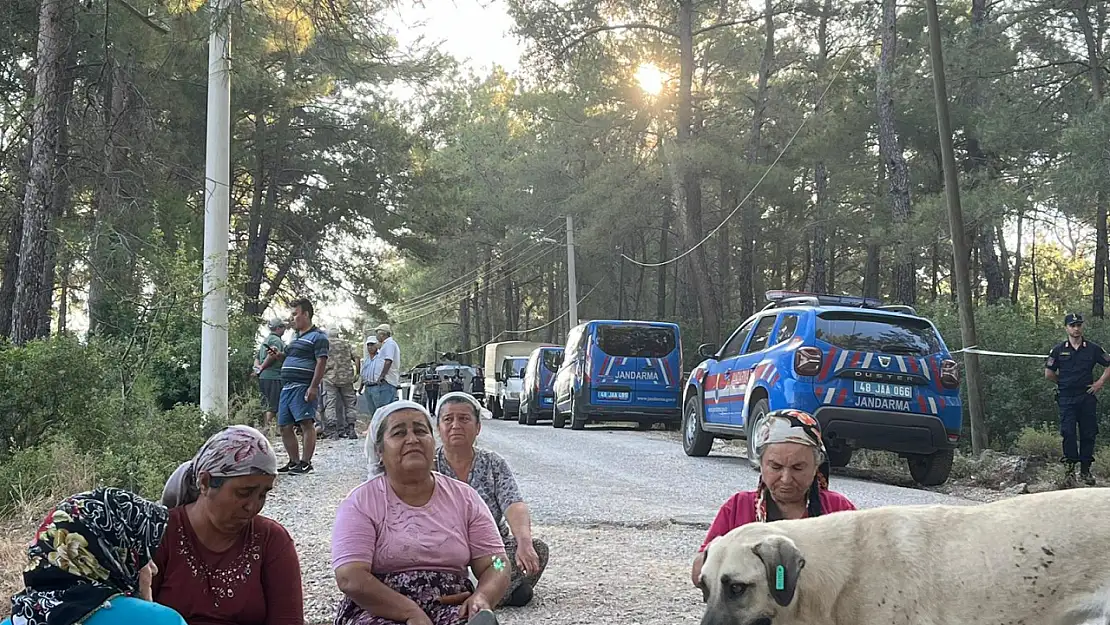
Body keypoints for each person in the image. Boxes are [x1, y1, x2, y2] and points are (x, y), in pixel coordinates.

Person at [335, 401, 508, 625]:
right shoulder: (361, 502)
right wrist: (410, 612)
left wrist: (483, 595)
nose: (412, 439)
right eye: (399, 433)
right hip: (380, 610)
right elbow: (350, 577)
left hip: (451, 606)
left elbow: (498, 563)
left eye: (420, 431)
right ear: (379, 450)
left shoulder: (465, 498)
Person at [156, 425, 304, 625]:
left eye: (262, 494)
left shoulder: (271, 540)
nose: (253, 506)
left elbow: (288, 619)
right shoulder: (160, 534)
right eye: (243, 492)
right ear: (205, 482)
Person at [690, 409, 856, 586]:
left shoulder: (838, 509)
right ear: (761, 464)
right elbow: (699, 574)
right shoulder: (738, 507)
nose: (786, 478)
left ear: (816, 466)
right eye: (776, 467)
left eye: (798, 468)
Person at [4, 488, 186, 625]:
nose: (153, 568)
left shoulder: (15, 620)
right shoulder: (160, 621)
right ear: (116, 555)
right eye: (145, 556)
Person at [433, 392, 548, 607]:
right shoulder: (429, 465)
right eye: (448, 419)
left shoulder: (492, 463)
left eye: (464, 419)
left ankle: (472, 595)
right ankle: (496, 594)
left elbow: (513, 503)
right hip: (446, 555)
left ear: (478, 427)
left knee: (536, 550)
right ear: (438, 428)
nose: (456, 425)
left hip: (490, 556)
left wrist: (524, 542)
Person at [1045, 312, 1110, 486]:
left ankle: (1086, 471)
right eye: (1072, 325)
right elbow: (1049, 373)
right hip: (1066, 397)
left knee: (1088, 433)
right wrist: (1064, 382)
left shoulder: (1093, 348)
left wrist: (1099, 383)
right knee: (1068, 432)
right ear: (1066, 328)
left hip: (1086, 395)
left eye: (1079, 325)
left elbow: (1108, 364)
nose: (1076, 328)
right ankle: (1070, 471)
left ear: (1082, 327)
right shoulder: (1059, 350)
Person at [276, 297, 329, 474]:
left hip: (302, 386)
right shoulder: (295, 338)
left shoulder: (319, 337)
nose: (293, 318)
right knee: (284, 426)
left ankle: (306, 463)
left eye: (295, 314)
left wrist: (313, 387)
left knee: (306, 423)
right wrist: (279, 356)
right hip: (287, 387)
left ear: (306, 314)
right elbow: (290, 357)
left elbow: (321, 362)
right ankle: (293, 461)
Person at [323, 332, 360, 440]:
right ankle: (351, 428)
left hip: (330, 378)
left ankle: (333, 431)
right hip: (346, 377)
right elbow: (357, 358)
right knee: (350, 403)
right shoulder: (346, 344)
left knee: (330, 404)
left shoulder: (325, 344)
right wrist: (357, 373)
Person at [252, 318, 287, 429]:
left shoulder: (266, 340)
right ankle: (267, 430)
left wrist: (257, 368)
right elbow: (272, 355)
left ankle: (267, 428)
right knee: (273, 405)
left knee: (265, 403)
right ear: (278, 328)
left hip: (263, 377)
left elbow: (257, 357)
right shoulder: (277, 341)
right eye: (283, 327)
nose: (284, 329)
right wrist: (262, 367)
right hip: (274, 376)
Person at [367, 324, 400, 411]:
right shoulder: (385, 345)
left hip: (387, 381)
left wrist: (382, 376)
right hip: (386, 381)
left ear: (382, 334)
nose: (376, 336)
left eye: (377, 334)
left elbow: (388, 361)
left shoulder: (390, 344)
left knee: (384, 409)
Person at [360, 336, 383, 416]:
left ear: (376, 345)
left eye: (372, 345)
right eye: (368, 345)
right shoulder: (366, 360)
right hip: (367, 387)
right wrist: (360, 387)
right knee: (372, 411)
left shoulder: (381, 358)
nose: (370, 347)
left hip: (377, 387)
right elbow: (363, 375)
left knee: (379, 410)